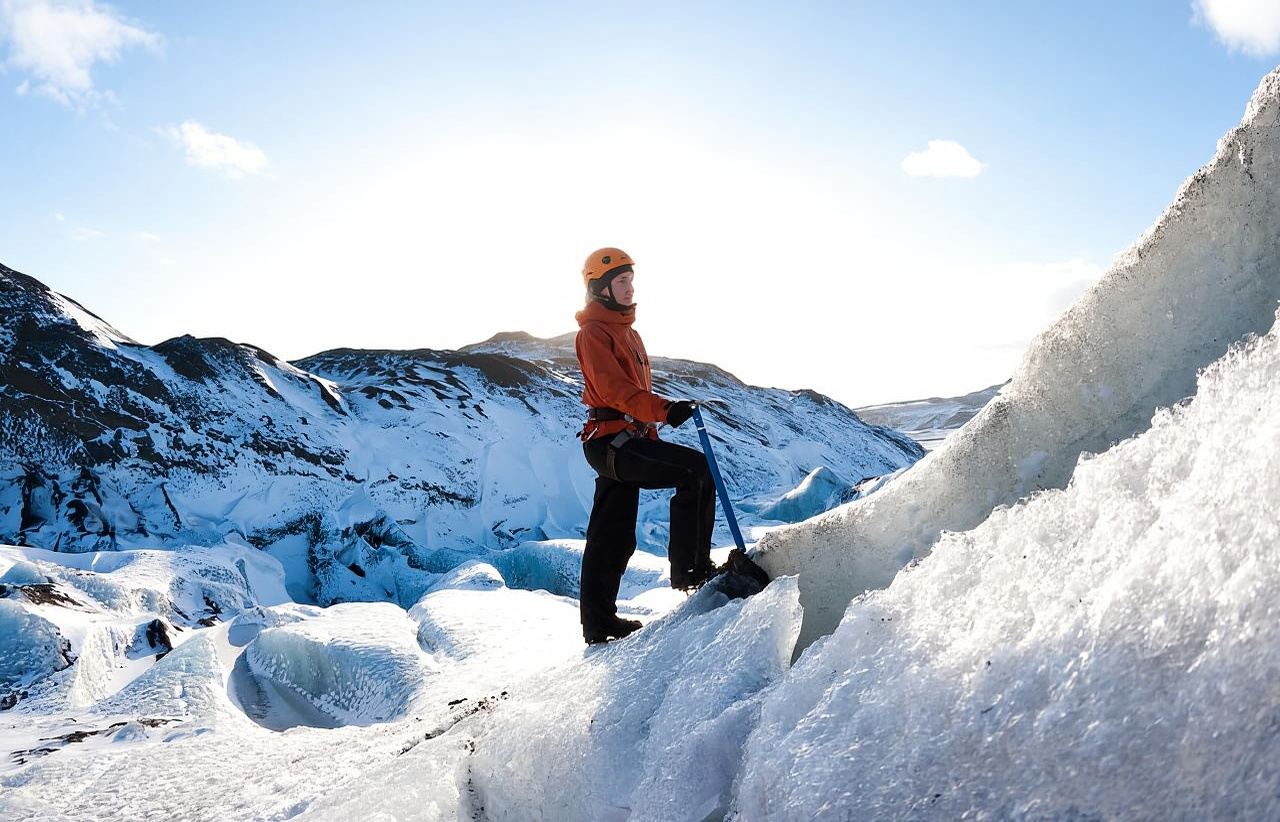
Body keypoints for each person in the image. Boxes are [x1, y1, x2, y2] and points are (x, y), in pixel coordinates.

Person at [574, 247, 720, 645]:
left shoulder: (628, 333)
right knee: (695, 469)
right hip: (610, 444)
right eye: (620, 281)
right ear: (600, 288)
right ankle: (692, 571)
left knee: (612, 533)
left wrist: (654, 422)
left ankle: (599, 623)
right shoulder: (593, 333)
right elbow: (614, 391)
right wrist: (664, 410)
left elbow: (631, 395)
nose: (629, 287)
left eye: (630, 280)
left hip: (622, 441)